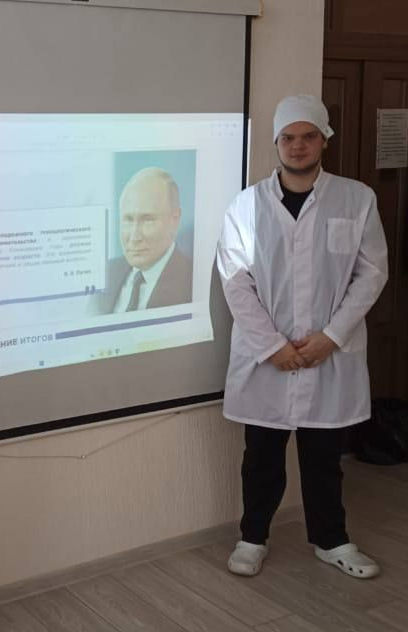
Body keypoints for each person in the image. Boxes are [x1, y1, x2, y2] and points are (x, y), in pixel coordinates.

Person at [217, 95, 388, 579]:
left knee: (323, 457)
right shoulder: (246, 206)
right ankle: (252, 537)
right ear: (276, 142)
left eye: (308, 136)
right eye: (288, 138)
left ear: (324, 140)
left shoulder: (356, 199)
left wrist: (331, 337)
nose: (297, 146)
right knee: (261, 458)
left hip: (328, 354)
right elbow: (235, 279)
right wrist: (272, 346)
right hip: (266, 358)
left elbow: (372, 273)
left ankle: (331, 540)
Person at [95, 167, 193, 313]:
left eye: (148, 220)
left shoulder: (192, 279)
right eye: (128, 220)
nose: (135, 237)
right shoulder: (105, 274)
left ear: (174, 220)